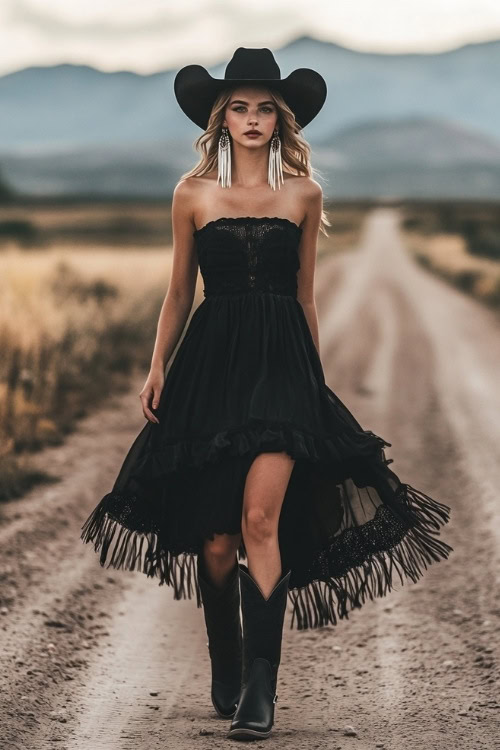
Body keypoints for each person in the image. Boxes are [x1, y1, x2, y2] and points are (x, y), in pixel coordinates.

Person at [80, 47, 454, 741]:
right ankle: (226, 660)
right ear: (221, 121)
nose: (252, 119)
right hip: (209, 369)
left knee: (260, 522)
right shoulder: (190, 195)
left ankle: (260, 690)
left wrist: (312, 380)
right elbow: (176, 293)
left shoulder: (305, 196)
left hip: (282, 370)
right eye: (240, 108)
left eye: (264, 109)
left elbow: (306, 297)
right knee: (216, 544)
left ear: (282, 121)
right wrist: (157, 365)